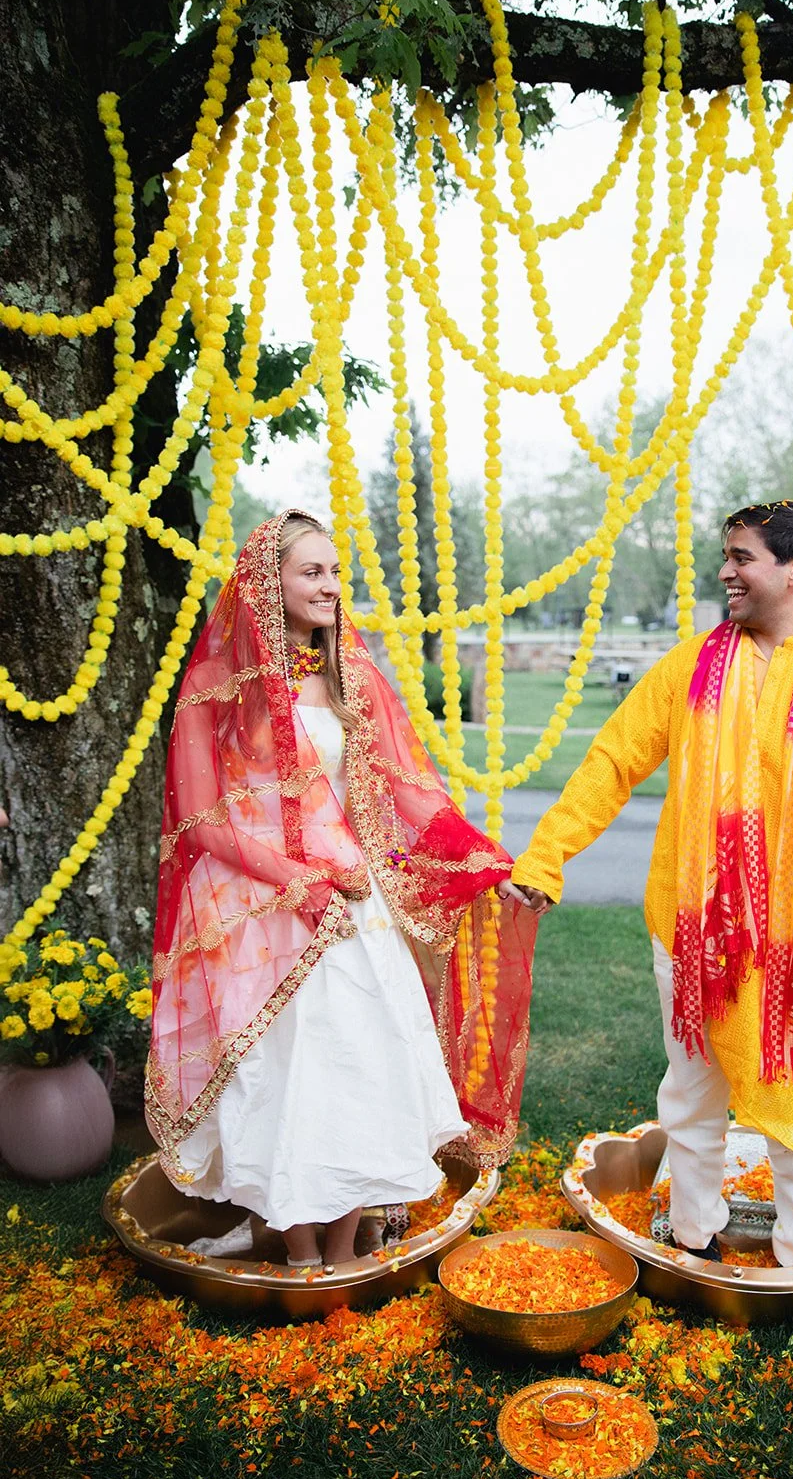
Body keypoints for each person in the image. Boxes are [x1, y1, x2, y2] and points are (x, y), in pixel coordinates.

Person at [502, 501, 793, 1268]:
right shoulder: (690, 667)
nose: (725, 571)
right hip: (695, 932)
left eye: (741, 557)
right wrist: (545, 855)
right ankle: (693, 1237)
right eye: (725, 556)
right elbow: (611, 764)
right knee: (691, 1098)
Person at [147, 510, 535, 1269]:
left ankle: (351, 1244)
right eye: (311, 573)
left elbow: (410, 793)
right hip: (258, 908)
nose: (329, 587)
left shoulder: (348, 677)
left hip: (354, 903)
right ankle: (296, 1251)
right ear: (269, 583)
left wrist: (487, 862)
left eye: (333, 572)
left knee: (362, 1063)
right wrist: (295, 878)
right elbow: (197, 822)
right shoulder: (213, 687)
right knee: (288, 1076)